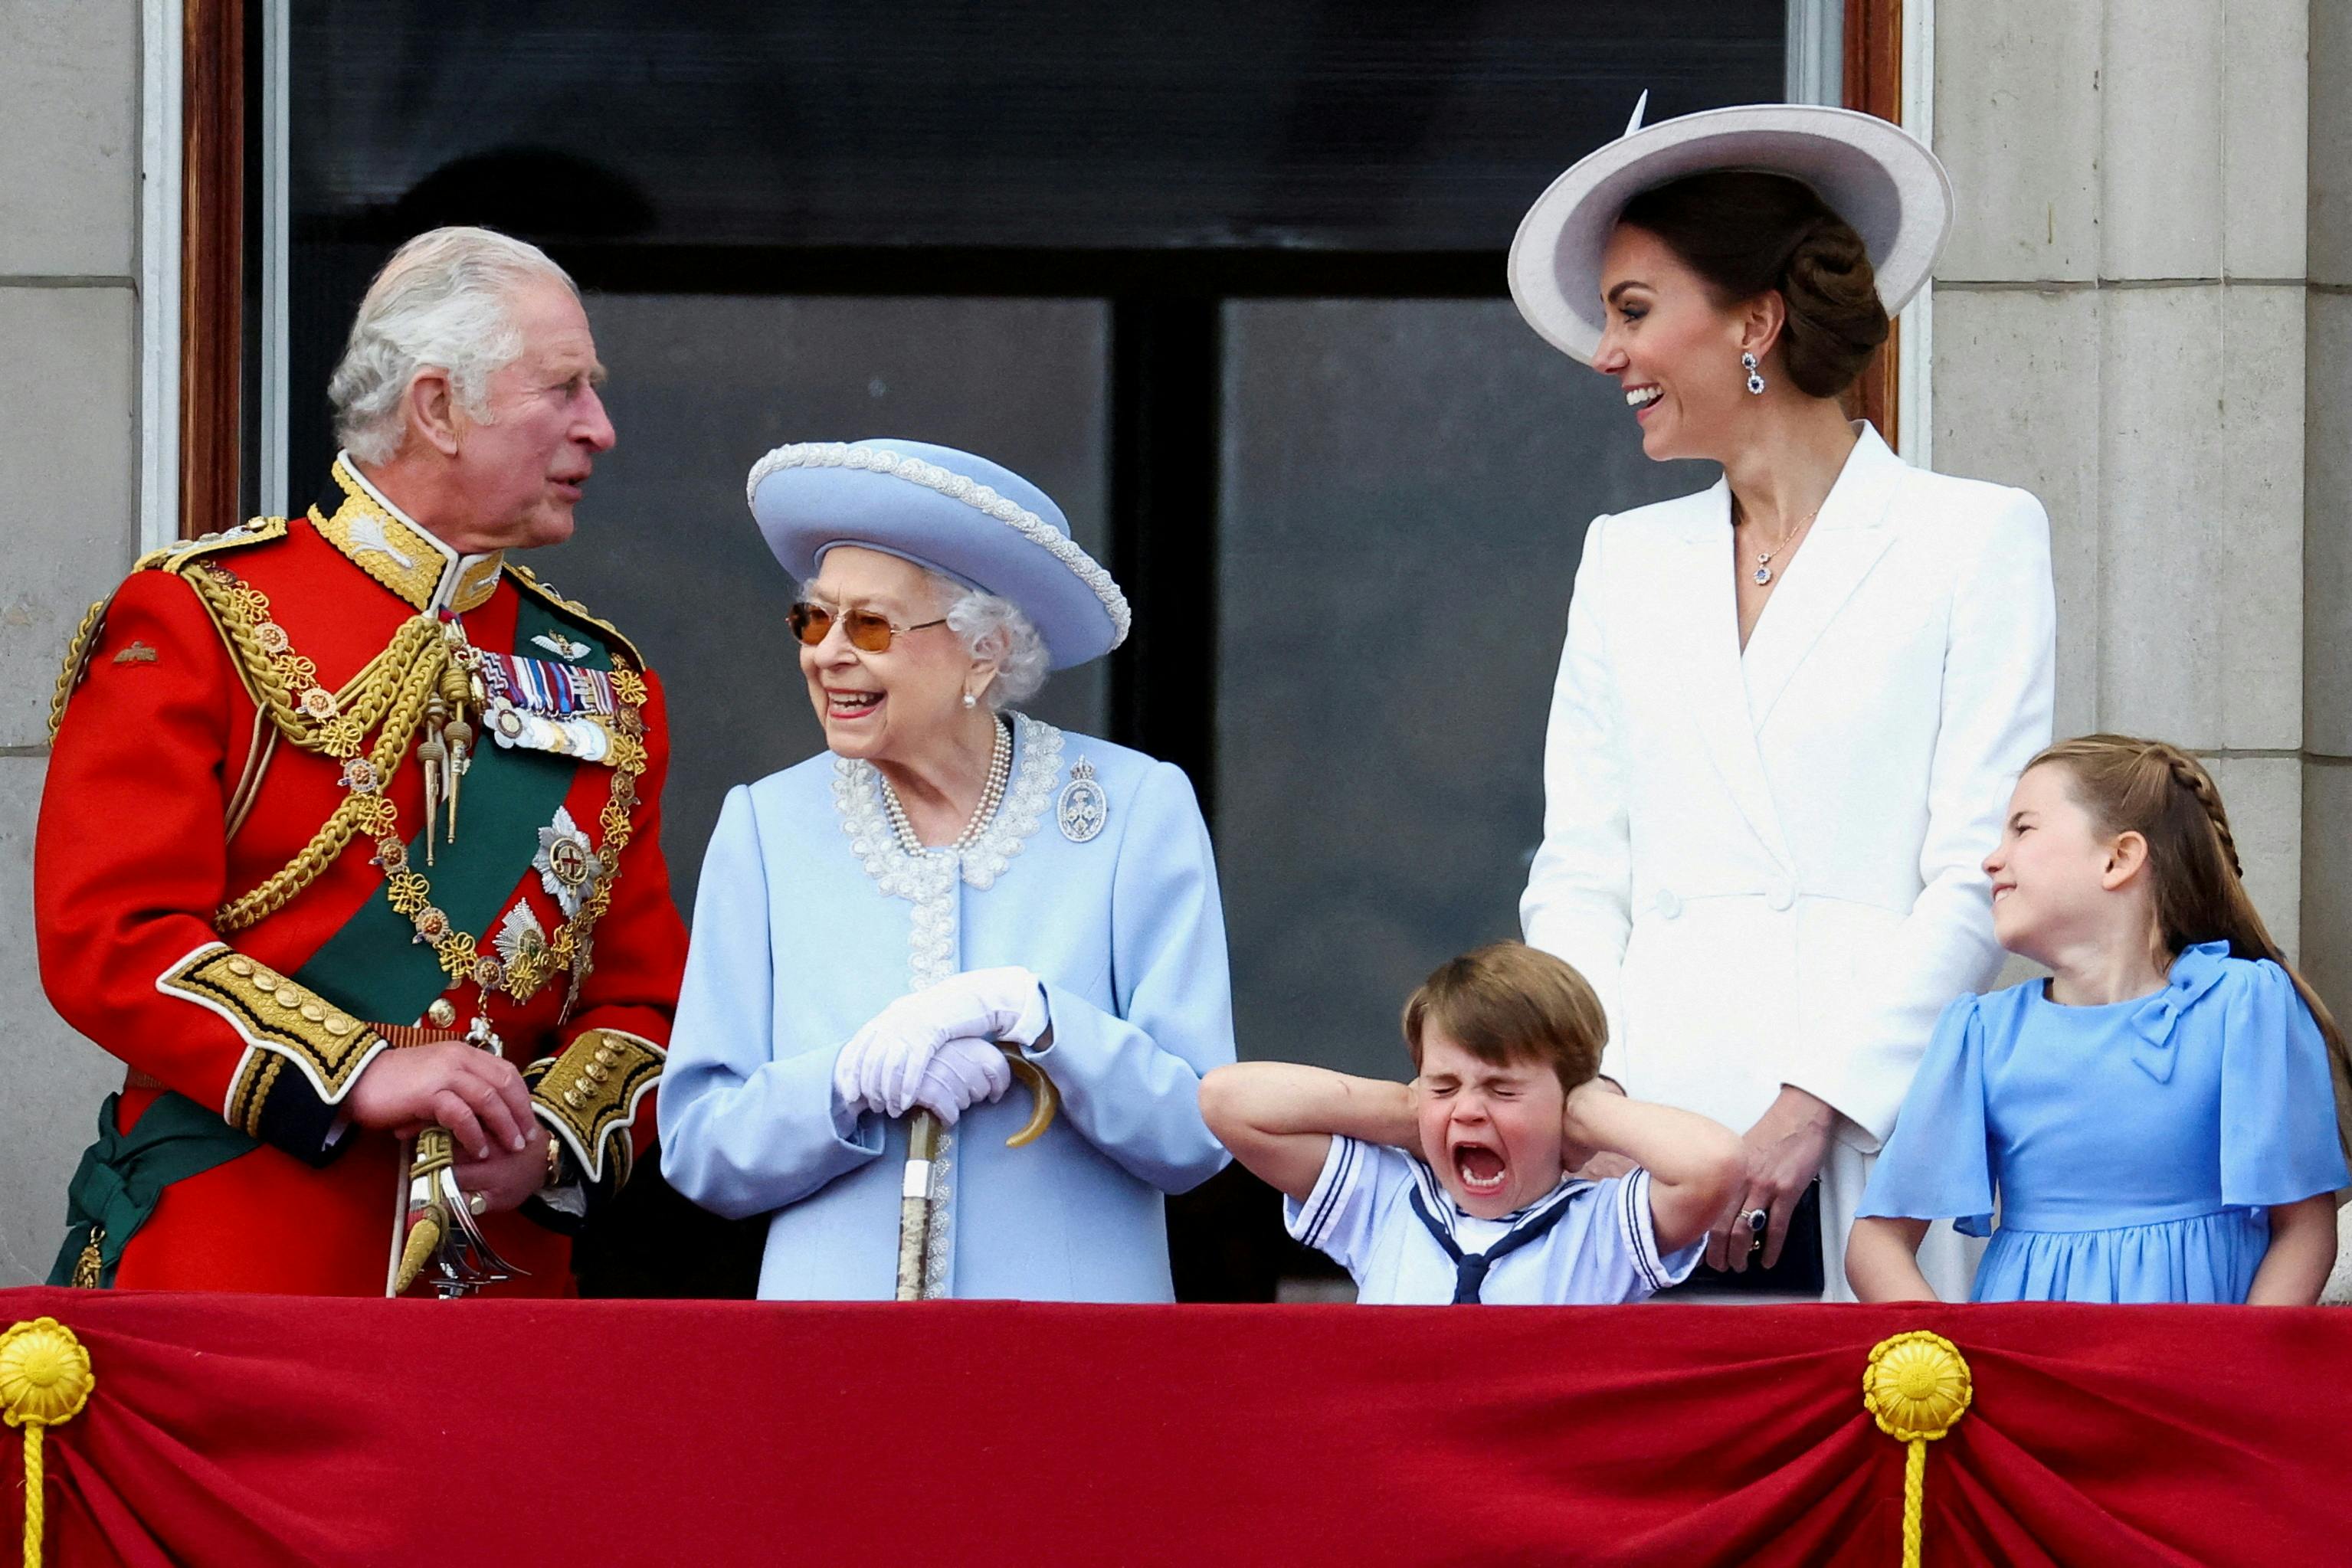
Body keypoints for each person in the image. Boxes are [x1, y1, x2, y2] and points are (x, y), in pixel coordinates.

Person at [37, 227, 687, 1295]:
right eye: (565, 388)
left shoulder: (607, 681)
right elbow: (110, 935)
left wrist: (551, 1143)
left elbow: (648, 1000)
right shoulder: (204, 616)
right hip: (240, 1265)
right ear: (438, 408)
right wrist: (361, 1071)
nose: (601, 428)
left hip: (503, 1290)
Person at [1505, 102, 2057, 1299]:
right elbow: (1580, 869)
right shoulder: (1622, 555)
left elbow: (1976, 868)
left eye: (1634, 311)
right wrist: (1590, 1097)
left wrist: (1817, 1102)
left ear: (1754, 319)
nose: (1607, 354)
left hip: (1869, 1135)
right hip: (1640, 1151)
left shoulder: (1972, 538)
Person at [658, 439, 1233, 1301]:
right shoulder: (766, 827)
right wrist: (845, 1079)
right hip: (832, 1358)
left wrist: (1041, 1022)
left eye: (872, 625)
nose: (827, 653)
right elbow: (700, 1147)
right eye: (814, 619)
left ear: (984, 651)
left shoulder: (1133, 810)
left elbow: (1196, 1134)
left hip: (1070, 1359)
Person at [1846, 736, 2350, 1304]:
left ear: (2118, 858)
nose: (1992, 858)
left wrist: (2234, 1374)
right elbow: (1876, 1243)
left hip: (2192, 1377)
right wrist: (1956, 1371)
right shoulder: (1983, 1034)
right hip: (2032, 1378)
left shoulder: (2243, 1005)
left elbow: (2305, 1229)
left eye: (2023, 828)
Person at [1200, 941, 1741, 1304]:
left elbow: (1714, 1164)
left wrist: (1584, 1112)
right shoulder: (1386, 1203)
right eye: (1443, 1085)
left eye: (1502, 1089)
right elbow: (1226, 1100)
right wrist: (1406, 1114)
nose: (1468, 1110)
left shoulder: (1599, 1230)